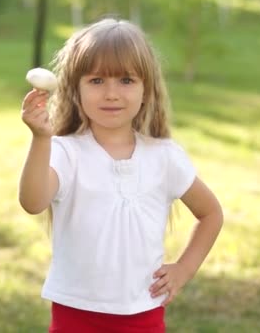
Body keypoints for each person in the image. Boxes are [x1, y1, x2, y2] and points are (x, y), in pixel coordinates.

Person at [18, 18, 223, 333]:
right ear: (76, 90)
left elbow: (211, 213)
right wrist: (41, 139)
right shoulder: (65, 152)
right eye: (97, 81)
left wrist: (184, 269)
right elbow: (33, 202)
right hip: (76, 312)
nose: (111, 93)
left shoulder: (164, 156)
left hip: (143, 313)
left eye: (126, 80)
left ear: (146, 90)